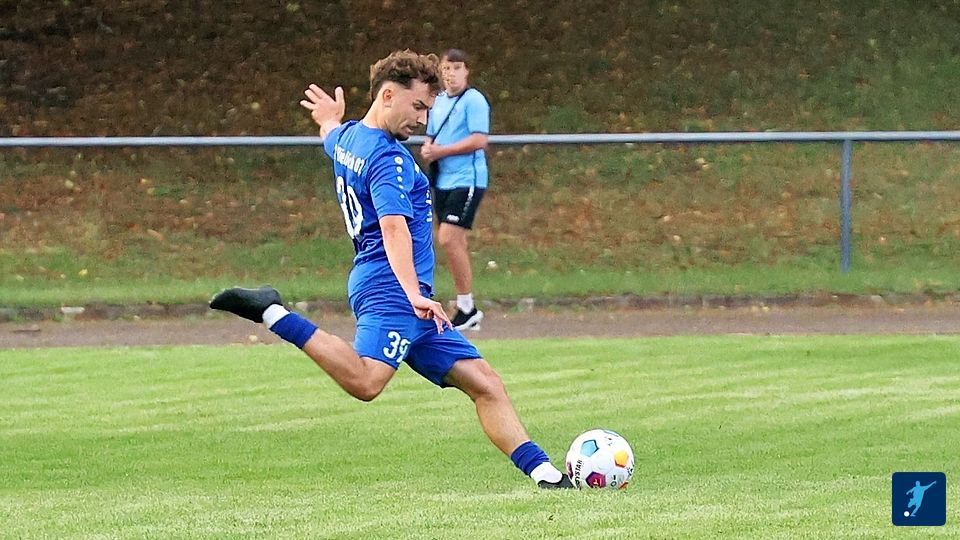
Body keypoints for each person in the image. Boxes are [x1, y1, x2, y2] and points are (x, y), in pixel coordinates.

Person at [210, 50, 573, 489]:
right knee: (367, 382)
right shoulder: (389, 160)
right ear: (387, 95)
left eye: (428, 109)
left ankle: (547, 476)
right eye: (417, 106)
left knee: (485, 383)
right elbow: (394, 229)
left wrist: (328, 118)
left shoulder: (349, 138)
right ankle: (271, 311)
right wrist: (414, 293)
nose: (423, 119)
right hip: (394, 289)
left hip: (402, 292)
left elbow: (329, 136)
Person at [419, 48, 490, 331]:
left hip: (467, 179)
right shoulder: (437, 102)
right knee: (453, 241)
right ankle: (466, 308)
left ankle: (466, 306)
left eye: (457, 68)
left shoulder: (474, 100)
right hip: (443, 180)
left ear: (467, 71)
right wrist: (429, 149)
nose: (451, 74)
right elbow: (431, 135)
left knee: (448, 237)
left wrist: (442, 151)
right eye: (447, 69)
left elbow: (479, 140)